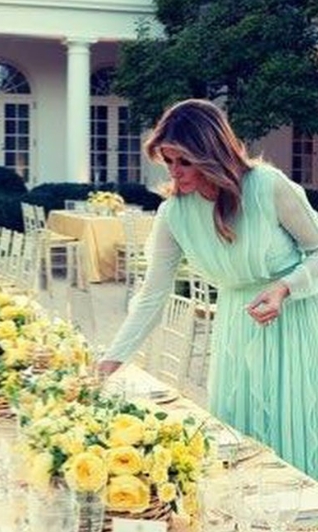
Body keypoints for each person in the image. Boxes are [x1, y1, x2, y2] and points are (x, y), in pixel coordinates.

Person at [98, 99, 318, 477]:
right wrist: (112, 360)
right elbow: (153, 294)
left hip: (295, 323)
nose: (175, 172)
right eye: (168, 161)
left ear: (212, 152)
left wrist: (285, 287)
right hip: (236, 323)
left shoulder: (267, 186)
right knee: (238, 442)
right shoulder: (174, 213)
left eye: (184, 161)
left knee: (294, 434)